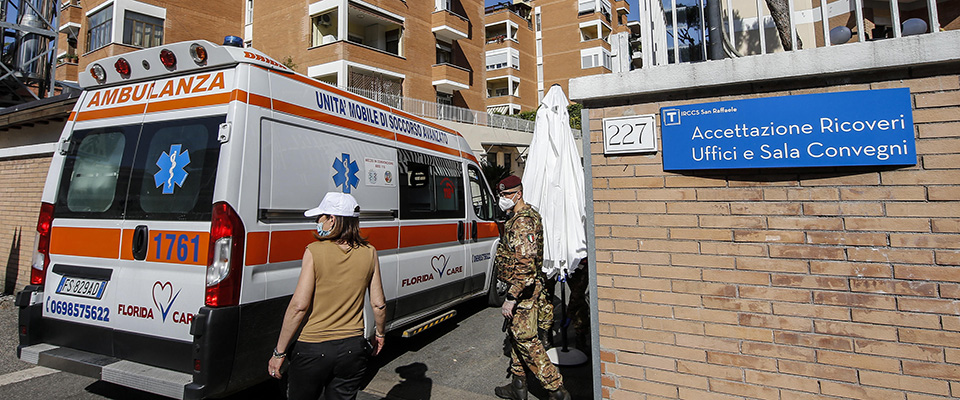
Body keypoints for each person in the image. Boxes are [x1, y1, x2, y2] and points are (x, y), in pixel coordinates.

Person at [268, 192, 387, 400]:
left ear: (332, 219)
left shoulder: (314, 251)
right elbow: (378, 304)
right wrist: (380, 334)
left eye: (319, 218)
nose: (317, 223)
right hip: (352, 349)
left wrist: (279, 352)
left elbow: (299, 307)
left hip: (313, 349)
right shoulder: (370, 251)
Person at [493, 175, 571, 400]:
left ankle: (557, 391)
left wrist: (511, 297)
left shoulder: (522, 222)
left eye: (506, 195)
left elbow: (525, 267)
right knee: (516, 336)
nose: (502, 199)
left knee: (527, 341)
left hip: (524, 292)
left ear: (518, 194)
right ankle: (518, 385)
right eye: (501, 195)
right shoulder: (525, 215)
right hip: (526, 289)